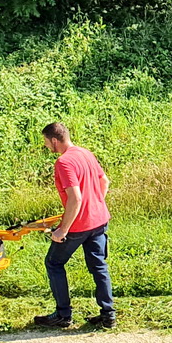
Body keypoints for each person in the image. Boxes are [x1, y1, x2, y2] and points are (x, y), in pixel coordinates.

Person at [35, 122, 116, 329]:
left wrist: (63, 229)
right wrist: (95, 204)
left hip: (79, 226)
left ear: (54, 140)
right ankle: (108, 315)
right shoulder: (85, 153)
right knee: (99, 266)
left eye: (46, 142)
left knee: (54, 263)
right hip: (99, 220)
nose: (46, 147)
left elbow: (76, 199)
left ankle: (63, 315)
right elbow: (104, 181)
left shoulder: (63, 163)